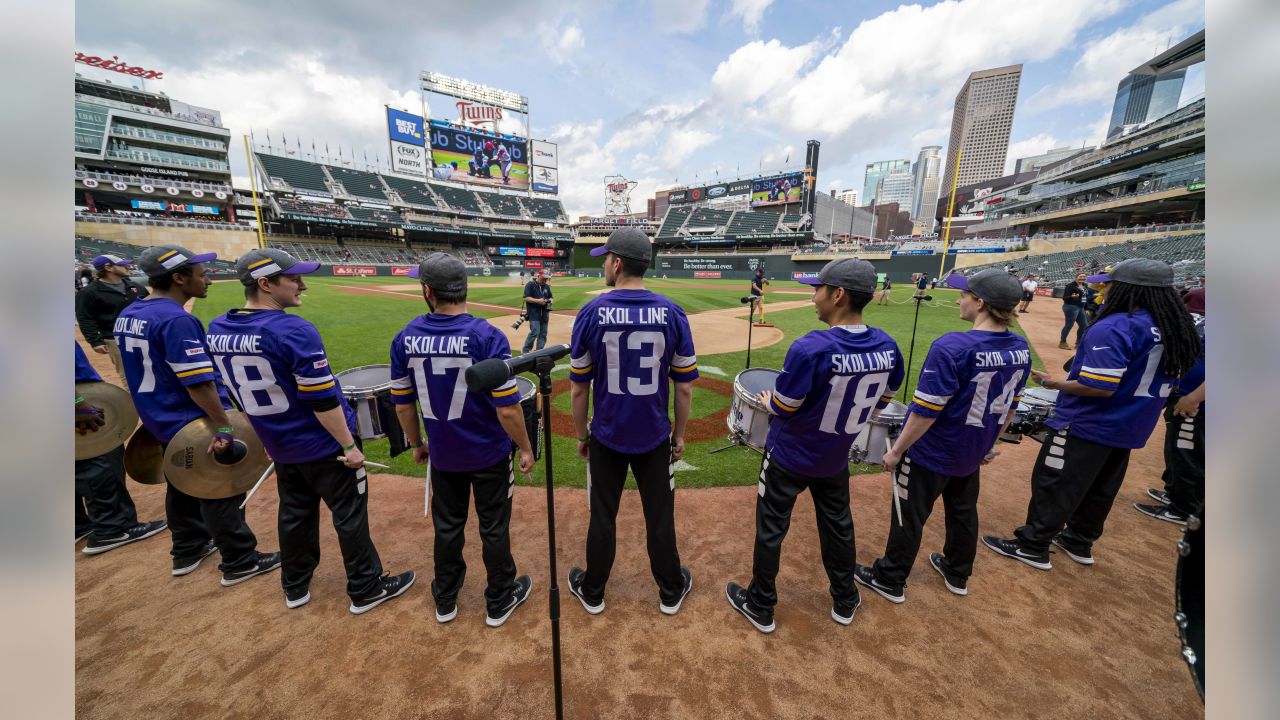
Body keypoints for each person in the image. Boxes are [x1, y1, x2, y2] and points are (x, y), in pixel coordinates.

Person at [207, 249, 415, 614]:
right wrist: (349, 445)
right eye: (293, 279)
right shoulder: (292, 329)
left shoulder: (218, 329)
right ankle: (366, 587)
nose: (302, 284)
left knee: (294, 514)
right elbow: (321, 400)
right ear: (265, 283)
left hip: (280, 444)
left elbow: (235, 394)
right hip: (322, 445)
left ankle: (295, 584)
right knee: (349, 514)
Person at [983, 258, 1201, 569]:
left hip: (1088, 422)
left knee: (1055, 481)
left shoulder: (1116, 325)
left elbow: (1100, 386)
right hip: (1133, 423)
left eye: (1109, 284)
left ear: (1129, 289)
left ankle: (1033, 544)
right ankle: (1079, 539)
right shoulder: (1172, 326)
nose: (1104, 290)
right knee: (1102, 487)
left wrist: (1054, 381)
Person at [725, 259, 904, 633]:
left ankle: (761, 604)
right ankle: (844, 597)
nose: (814, 298)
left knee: (771, 528)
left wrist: (767, 401)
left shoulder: (811, 346)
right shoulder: (889, 346)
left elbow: (784, 405)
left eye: (818, 290)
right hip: (836, 456)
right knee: (838, 526)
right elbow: (884, 400)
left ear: (838, 295)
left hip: (790, 454)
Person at [855, 269, 1029, 603]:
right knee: (963, 511)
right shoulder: (1020, 347)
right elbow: (1011, 408)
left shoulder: (953, 346)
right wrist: (988, 444)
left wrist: (896, 451)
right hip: (973, 450)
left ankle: (890, 577)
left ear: (981, 303)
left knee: (909, 513)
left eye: (966, 295)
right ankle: (957, 571)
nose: (960, 299)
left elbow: (925, 411)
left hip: (933, 450)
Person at [115, 244, 280, 585]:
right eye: (201, 275)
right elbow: (199, 384)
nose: (207, 280)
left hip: (159, 419)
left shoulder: (130, 312)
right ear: (178, 278)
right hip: (189, 418)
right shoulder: (176, 319)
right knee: (220, 485)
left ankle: (187, 548)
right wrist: (223, 426)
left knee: (182, 480)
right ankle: (239, 560)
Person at [390, 253, 535, 627]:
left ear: (427, 291)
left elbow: (403, 405)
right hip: (487, 452)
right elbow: (507, 409)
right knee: (493, 528)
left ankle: (445, 599)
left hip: (443, 453)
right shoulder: (487, 336)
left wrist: (417, 443)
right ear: (465, 287)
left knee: (448, 527)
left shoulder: (405, 337)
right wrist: (524, 446)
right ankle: (499, 599)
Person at [566, 227, 697, 616]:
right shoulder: (672, 313)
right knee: (659, 516)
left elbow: (578, 388)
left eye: (606, 258)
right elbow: (684, 388)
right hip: (654, 434)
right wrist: (680, 435)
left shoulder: (591, 312)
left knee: (602, 516)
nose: (604, 264)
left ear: (618, 263)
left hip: (607, 433)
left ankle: (593, 591)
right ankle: (670, 590)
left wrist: (580, 434)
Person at [75, 342, 167, 553]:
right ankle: (113, 528)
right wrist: (76, 402)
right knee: (100, 459)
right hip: (80, 402)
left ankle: (78, 525)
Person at [1135, 288, 1205, 524]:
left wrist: (1195, 397)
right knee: (1178, 449)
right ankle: (1176, 493)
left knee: (1187, 452)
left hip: (1197, 403)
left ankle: (1184, 508)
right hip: (1185, 395)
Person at [76, 254, 149, 379]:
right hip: (115, 339)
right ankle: (135, 399)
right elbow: (85, 318)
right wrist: (95, 341)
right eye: (122, 264)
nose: (128, 266)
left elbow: (151, 307)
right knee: (130, 375)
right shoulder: (89, 292)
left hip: (144, 334)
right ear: (108, 267)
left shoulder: (135, 287)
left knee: (154, 368)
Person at [521, 269, 553, 353]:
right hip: (534, 314)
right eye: (544, 278)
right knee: (535, 332)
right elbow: (526, 297)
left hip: (545, 314)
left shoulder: (546, 286)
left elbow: (550, 297)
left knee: (543, 334)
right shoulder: (530, 284)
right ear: (538, 276)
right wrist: (538, 301)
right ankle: (525, 350)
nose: (545, 280)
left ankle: (539, 351)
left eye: (546, 279)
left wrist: (550, 301)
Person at [1059, 273, 1090, 349]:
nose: (1082, 278)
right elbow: (1065, 298)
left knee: (1084, 325)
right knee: (1069, 324)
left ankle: (1078, 343)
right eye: (1080, 276)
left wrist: (1086, 308)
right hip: (1071, 307)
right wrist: (1071, 296)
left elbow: (1085, 298)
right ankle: (1062, 342)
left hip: (1081, 308)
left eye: (1084, 277)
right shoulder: (1070, 285)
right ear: (1076, 277)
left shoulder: (1085, 285)